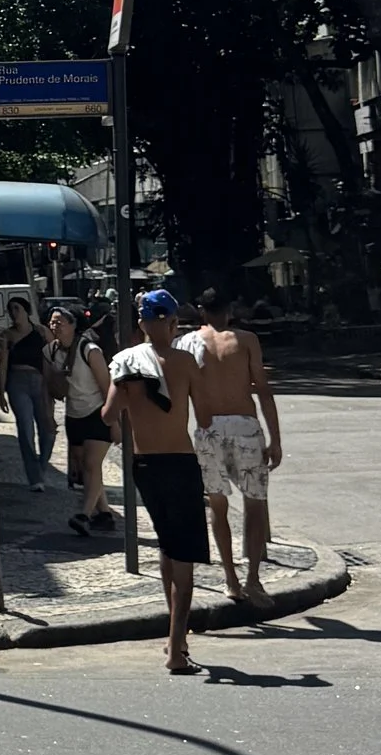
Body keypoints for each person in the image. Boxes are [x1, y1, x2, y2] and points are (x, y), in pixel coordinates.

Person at [102, 286, 210, 672]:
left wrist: (135, 391)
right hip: (179, 462)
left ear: (144, 323)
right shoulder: (185, 362)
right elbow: (207, 415)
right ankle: (176, 647)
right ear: (172, 322)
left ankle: (173, 633)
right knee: (184, 558)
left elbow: (108, 415)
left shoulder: (127, 361)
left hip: (144, 464)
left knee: (167, 544)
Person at [180, 282, 283, 608]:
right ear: (230, 311)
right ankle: (253, 578)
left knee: (218, 505)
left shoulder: (188, 342)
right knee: (254, 503)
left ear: (201, 312)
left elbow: (180, 394)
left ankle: (230, 579)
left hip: (209, 429)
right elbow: (263, 390)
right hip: (244, 426)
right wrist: (276, 439)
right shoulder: (247, 340)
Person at [52, 304, 115, 535]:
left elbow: (107, 387)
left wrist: (114, 422)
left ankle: (84, 515)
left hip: (97, 413)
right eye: (52, 321)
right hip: (74, 415)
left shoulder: (90, 350)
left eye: (59, 322)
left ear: (74, 325)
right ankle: (105, 514)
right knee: (85, 468)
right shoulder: (53, 351)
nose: (54, 326)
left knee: (91, 465)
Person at [0, 295, 54, 489]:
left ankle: (40, 468)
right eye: (10, 310)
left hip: (40, 382)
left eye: (17, 308)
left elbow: (54, 358)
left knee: (48, 429)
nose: (14, 313)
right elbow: (3, 365)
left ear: (26, 311)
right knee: (25, 428)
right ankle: (35, 478)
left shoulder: (41, 332)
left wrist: (55, 386)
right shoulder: (7, 335)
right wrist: (1, 392)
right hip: (17, 382)